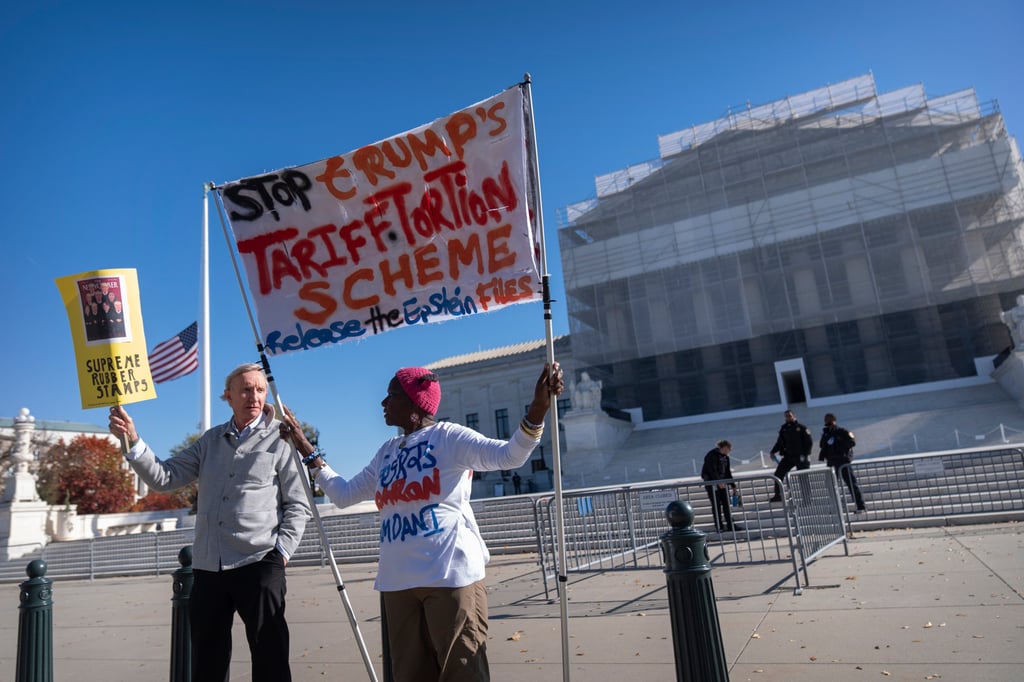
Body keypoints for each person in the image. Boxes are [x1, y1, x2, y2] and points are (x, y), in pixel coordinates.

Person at [281, 362, 564, 682]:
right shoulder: (386, 452)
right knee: (409, 675)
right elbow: (344, 494)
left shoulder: (449, 438)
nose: (383, 404)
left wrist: (538, 407)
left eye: (391, 395)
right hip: (397, 583)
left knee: (462, 672)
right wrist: (305, 445)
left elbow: (509, 455)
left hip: (449, 577)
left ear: (415, 402)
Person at [108, 363, 311, 682]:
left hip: (259, 561)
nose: (254, 396)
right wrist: (132, 440)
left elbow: (299, 504)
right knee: (207, 661)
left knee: (270, 657)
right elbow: (165, 477)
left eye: (259, 389)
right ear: (228, 396)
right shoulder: (210, 441)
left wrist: (280, 554)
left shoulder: (281, 440)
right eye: (245, 389)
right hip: (208, 566)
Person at [819, 412, 866, 512]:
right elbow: (822, 446)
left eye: (829, 419)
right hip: (831, 462)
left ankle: (861, 506)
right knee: (831, 486)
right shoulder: (826, 433)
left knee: (851, 484)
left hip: (843, 462)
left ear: (834, 420)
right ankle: (836, 508)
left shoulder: (842, 431)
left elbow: (852, 442)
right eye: (826, 419)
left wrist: (839, 443)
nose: (827, 421)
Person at [768, 409, 813, 502]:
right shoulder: (784, 429)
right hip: (789, 456)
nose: (788, 418)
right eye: (786, 416)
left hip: (800, 457)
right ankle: (778, 495)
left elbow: (809, 442)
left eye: (789, 416)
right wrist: (773, 452)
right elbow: (780, 442)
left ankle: (807, 498)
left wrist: (805, 455)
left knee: (803, 477)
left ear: (794, 416)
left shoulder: (801, 428)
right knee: (778, 474)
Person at [700, 439, 741, 531]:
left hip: (723, 483)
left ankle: (730, 525)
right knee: (716, 505)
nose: (730, 451)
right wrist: (718, 482)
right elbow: (711, 470)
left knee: (726, 504)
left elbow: (728, 473)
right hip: (712, 483)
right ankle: (719, 526)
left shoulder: (726, 458)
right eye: (729, 449)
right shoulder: (711, 455)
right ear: (725, 447)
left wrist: (733, 486)